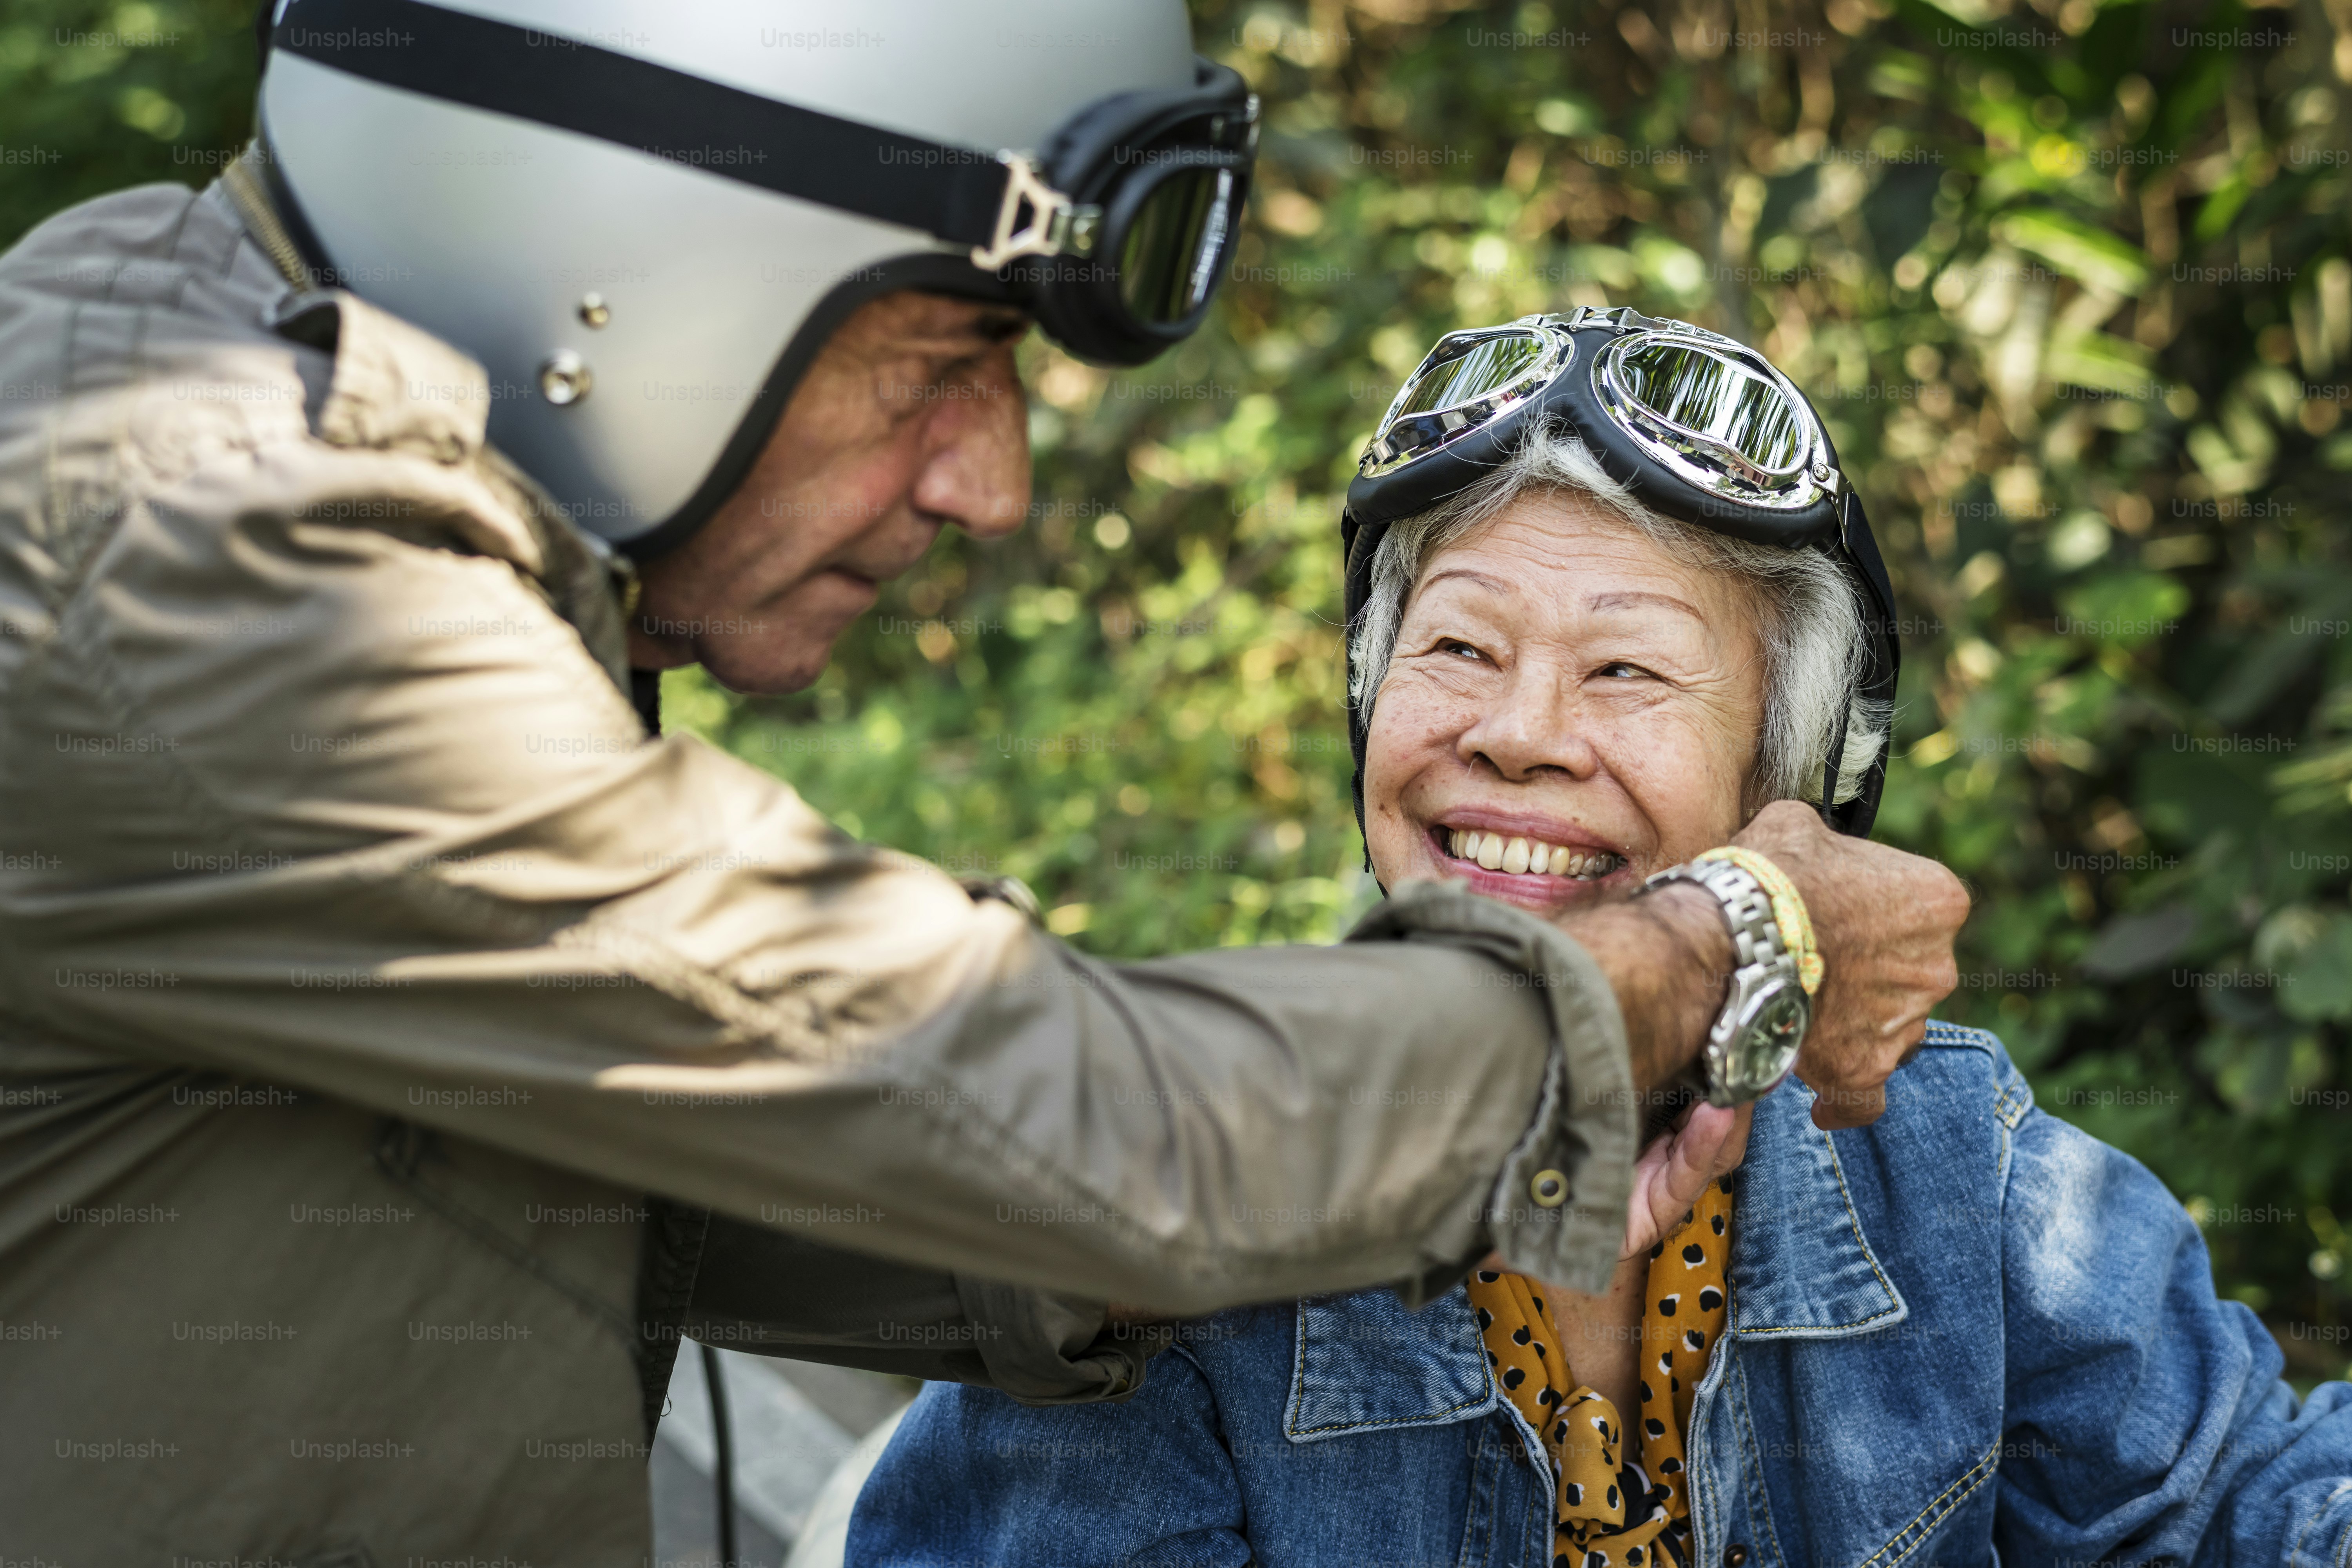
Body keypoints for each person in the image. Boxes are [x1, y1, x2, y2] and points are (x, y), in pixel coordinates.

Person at [0, 6, 1966, 1562]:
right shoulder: (195, 549)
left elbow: (590, 1167)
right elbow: (1067, 1107)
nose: (988, 482)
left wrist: (1233, 1211)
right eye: (937, 358)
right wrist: (1734, 944)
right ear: (616, 271)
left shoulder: (267, 481)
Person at [848, 312, 2352, 1566]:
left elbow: (2246, 1514)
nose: (1517, 734)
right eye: (1458, 647)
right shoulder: (1151, 1251)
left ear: (1787, 794)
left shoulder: (1958, 1165)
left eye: (1628, 669)